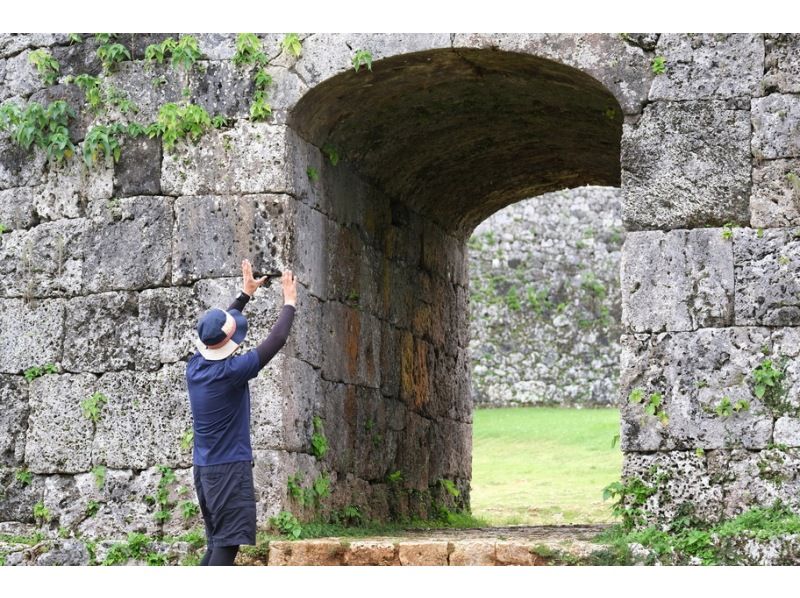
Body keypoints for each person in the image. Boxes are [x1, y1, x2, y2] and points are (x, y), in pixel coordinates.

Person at [186, 258, 297, 566]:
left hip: (205, 469)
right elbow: (277, 340)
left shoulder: (196, 366)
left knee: (216, 543)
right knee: (227, 545)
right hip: (227, 471)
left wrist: (245, 294)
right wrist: (289, 302)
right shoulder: (232, 371)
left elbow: (216, 332)